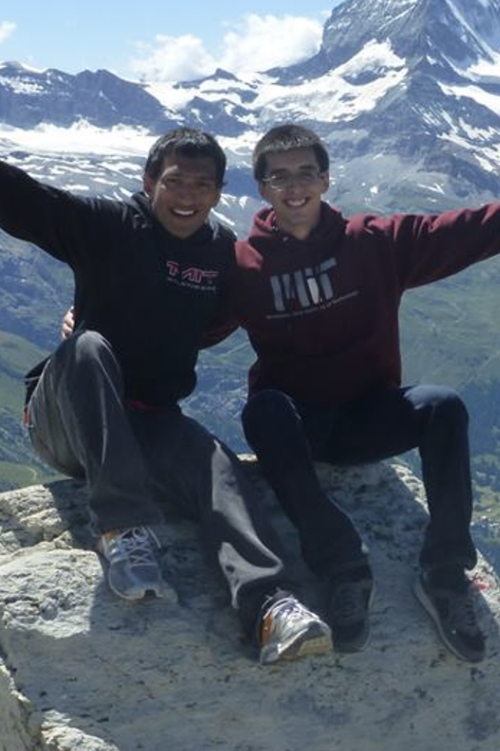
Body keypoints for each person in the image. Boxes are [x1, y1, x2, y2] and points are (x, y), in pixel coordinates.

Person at [212, 122, 500, 662]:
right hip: (298, 428)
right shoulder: (243, 265)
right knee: (263, 410)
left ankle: (444, 573)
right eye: (280, 177)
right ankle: (342, 566)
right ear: (262, 189)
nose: (294, 187)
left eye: (305, 173)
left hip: (370, 416)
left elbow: (474, 228)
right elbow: (185, 319)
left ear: (324, 178)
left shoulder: (374, 242)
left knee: (443, 405)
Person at [0, 127, 332, 665]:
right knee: (87, 348)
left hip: (151, 418)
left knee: (218, 467)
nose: (187, 196)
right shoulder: (108, 226)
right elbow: (26, 202)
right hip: (66, 417)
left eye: (203, 185)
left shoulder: (221, 253)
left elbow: (235, 315)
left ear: (219, 193)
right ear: (149, 181)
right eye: (175, 181)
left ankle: (270, 605)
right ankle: (122, 529)